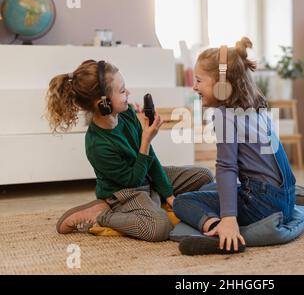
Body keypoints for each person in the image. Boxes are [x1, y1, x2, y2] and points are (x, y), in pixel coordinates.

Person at [46, 59, 213, 242]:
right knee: (160, 227)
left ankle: (155, 200)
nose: (129, 93)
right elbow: (133, 180)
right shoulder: (97, 145)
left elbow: (151, 159)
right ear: (103, 103)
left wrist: (169, 195)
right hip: (124, 192)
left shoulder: (127, 112)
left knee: (204, 174)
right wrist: (146, 142)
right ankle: (102, 214)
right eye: (122, 90)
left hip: (145, 174)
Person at [173, 38, 297, 255]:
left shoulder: (224, 115)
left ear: (221, 85)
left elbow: (227, 167)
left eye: (199, 80)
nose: (194, 86)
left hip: (262, 204)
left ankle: (221, 230)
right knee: (208, 188)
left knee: (182, 202)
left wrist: (229, 217)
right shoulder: (258, 108)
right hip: (285, 197)